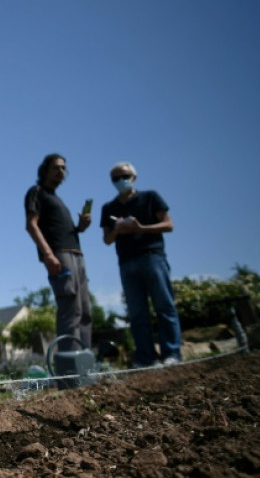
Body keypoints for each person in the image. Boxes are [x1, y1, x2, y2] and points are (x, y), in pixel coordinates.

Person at [100, 162, 182, 368]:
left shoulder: (150, 197)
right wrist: (117, 230)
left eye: (124, 176)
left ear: (133, 177)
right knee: (137, 313)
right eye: (116, 178)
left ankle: (172, 353)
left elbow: (168, 224)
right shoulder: (108, 208)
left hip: (152, 256)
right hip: (126, 262)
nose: (121, 181)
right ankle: (146, 358)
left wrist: (140, 227)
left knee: (164, 306)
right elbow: (107, 239)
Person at [24, 154, 93, 351]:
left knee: (85, 311)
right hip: (59, 255)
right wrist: (48, 255)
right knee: (70, 309)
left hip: (77, 254)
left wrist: (81, 227)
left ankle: (85, 360)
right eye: (56, 167)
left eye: (63, 168)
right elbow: (31, 225)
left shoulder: (57, 199)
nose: (61, 171)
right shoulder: (36, 192)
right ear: (45, 170)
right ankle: (70, 363)